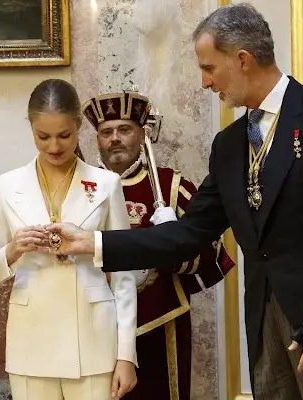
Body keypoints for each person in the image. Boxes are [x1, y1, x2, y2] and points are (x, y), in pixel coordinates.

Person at [41, 4, 303, 400]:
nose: (205, 83)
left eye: (209, 68)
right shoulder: (229, 145)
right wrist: (93, 244)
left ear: (242, 60)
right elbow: (190, 232)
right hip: (266, 330)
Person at [0, 78, 138, 400]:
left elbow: (123, 277)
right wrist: (12, 249)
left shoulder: (106, 184)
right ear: (30, 129)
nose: (53, 147)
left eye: (64, 135)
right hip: (31, 341)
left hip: (94, 341)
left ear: (78, 126)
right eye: (42, 136)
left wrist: (126, 355)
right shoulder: (7, 185)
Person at [82, 90, 235, 400]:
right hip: (93, 325)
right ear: (96, 139)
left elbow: (212, 256)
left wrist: (173, 240)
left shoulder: (171, 186)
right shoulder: (79, 188)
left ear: (142, 134)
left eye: (124, 129)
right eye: (106, 132)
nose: (115, 139)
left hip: (160, 321)